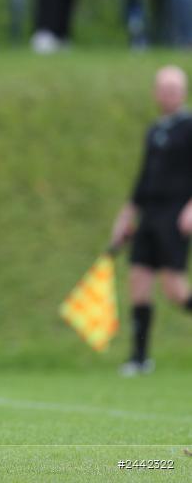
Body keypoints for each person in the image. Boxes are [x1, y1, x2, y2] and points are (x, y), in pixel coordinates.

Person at [110, 65, 192, 376]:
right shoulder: (155, 130)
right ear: (156, 93)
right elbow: (144, 178)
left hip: (176, 213)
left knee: (174, 289)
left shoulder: (189, 126)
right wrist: (127, 215)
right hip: (150, 214)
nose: (168, 95)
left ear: (183, 92)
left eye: (174, 89)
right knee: (138, 281)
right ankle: (139, 357)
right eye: (163, 89)